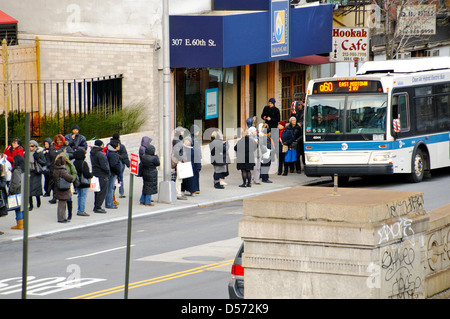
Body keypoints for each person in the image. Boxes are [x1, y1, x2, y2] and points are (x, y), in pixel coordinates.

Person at [48, 134, 74, 204]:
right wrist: (48, 165)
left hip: (63, 167)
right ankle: (54, 197)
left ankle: (64, 196)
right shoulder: (52, 147)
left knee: (62, 182)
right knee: (54, 182)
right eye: (57, 140)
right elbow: (48, 157)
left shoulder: (66, 147)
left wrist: (65, 153)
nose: (59, 141)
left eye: (60, 140)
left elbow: (72, 154)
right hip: (53, 166)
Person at [90, 140, 110, 213]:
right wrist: (108, 172)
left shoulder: (92, 153)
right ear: (101, 145)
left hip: (96, 173)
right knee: (102, 191)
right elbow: (104, 166)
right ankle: (98, 207)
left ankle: (96, 205)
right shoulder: (100, 154)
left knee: (97, 191)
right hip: (102, 174)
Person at [53, 155, 74, 223]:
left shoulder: (56, 169)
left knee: (62, 203)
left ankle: (63, 217)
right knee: (62, 204)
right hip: (63, 188)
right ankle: (61, 218)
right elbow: (69, 178)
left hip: (58, 187)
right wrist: (71, 176)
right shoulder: (62, 170)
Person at [73, 149, 93, 216]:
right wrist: (91, 175)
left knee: (79, 196)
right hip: (84, 182)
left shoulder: (74, 163)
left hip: (77, 182)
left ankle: (79, 209)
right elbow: (86, 174)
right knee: (83, 196)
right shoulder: (83, 163)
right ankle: (81, 211)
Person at [28, 140, 47, 211]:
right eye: (29, 146)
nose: (30, 147)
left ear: (35, 146)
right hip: (29, 172)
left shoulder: (39, 153)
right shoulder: (26, 153)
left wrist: (37, 159)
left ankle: (38, 200)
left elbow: (44, 162)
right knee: (29, 189)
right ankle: (31, 205)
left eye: (32, 146)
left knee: (36, 188)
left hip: (37, 172)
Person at [111, 133, 130, 199]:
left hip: (111, 165)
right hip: (120, 164)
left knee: (113, 179)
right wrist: (128, 165)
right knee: (120, 178)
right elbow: (125, 157)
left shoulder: (109, 145)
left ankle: (112, 194)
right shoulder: (121, 146)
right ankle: (121, 193)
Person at [172, 127, 188, 200]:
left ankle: (178, 192)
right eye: (182, 131)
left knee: (180, 178)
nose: (183, 132)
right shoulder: (177, 140)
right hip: (179, 161)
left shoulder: (178, 139)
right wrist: (182, 159)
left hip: (180, 160)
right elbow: (177, 152)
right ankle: (178, 193)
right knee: (179, 178)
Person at [105, 139, 122, 210]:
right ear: (115, 146)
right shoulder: (113, 154)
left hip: (111, 173)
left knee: (110, 189)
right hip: (112, 174)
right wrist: (118, 171)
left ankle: (109, 203)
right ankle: (109, 204)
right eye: (118, 145)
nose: (119, 146)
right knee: (110, 189)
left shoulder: (111, 153)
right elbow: (114, 165)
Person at [9, 155, 24, 229]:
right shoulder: (24, 169)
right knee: (22, 208)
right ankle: (23, 223)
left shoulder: (16, 170)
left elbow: (16, 183)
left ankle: (20, 225)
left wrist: (11, 191)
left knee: (18, 208)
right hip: (24, 191)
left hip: (18, 191)